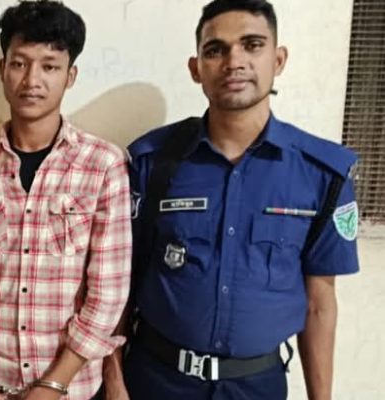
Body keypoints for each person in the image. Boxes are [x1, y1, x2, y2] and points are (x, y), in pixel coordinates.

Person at [103, 0, 360, 399]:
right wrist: (114, 380)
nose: (234, 62)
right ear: (196, 69)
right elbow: (119, 279)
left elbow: (319, 304)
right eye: (215, 50)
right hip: (156, 380)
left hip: (257, 386)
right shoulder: (152, 162)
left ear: (278, 59)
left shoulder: (322, 175)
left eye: (252, 45)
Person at [0, 1, 132, 399]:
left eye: (49, 66)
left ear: (70, 76)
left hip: (72, 388)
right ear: (3, 69)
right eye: (20, 64)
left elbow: (107, 293)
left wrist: (52, 385)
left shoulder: (103, 164)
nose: (32, 80)